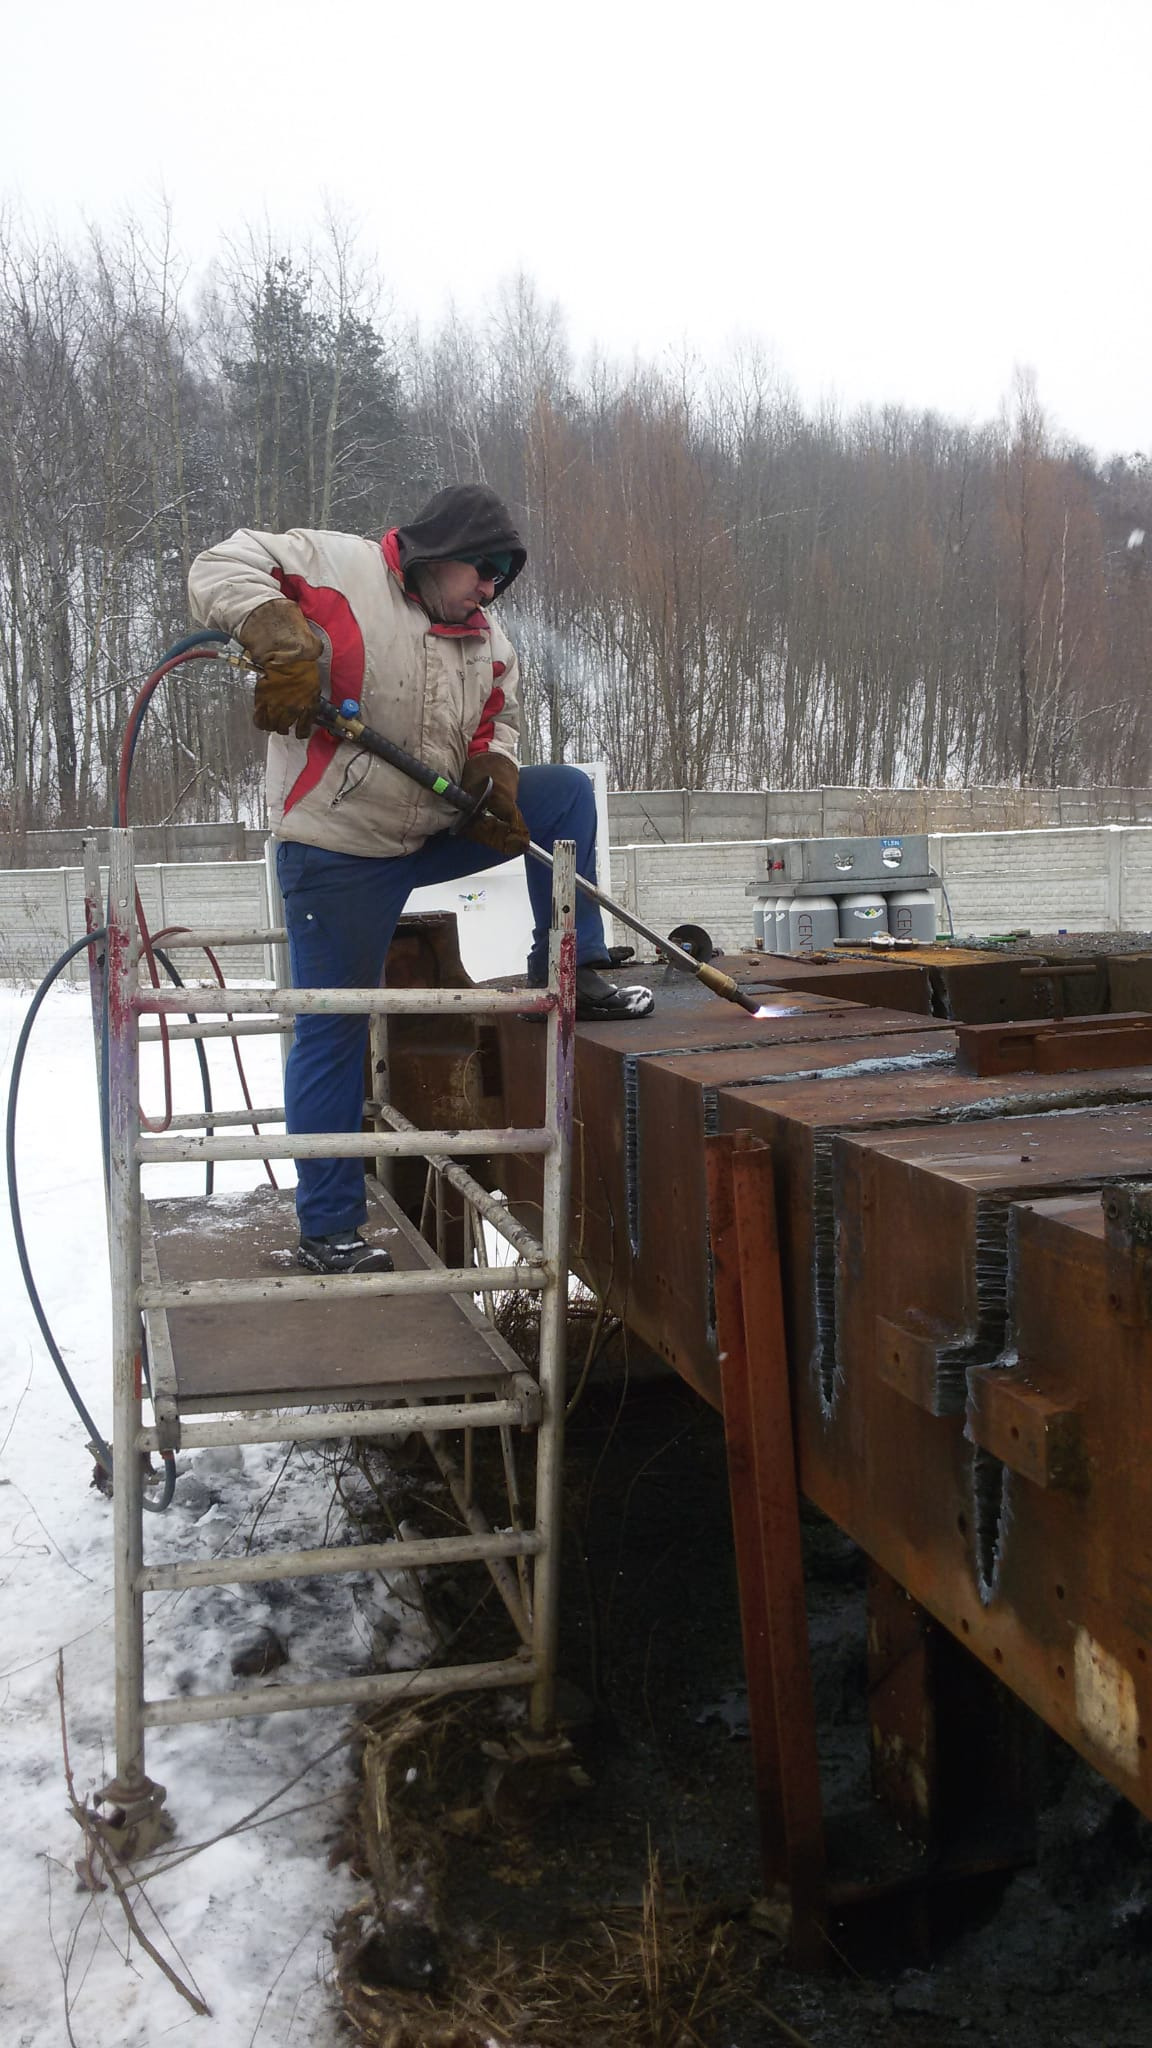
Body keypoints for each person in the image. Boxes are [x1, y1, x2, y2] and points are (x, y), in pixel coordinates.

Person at [188, 484, 655, 1274]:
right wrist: (277, 631)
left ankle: (576, 963)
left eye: (502, 577)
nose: (491, 589)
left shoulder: (488, 638)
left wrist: (494, 778)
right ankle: (329, 1229)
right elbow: (220, 561)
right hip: (338, 850)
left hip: (430, 829)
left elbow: (495, 716)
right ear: (439, 553)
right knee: (335, 1025)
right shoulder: (339, 567)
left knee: (565, 795)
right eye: (483, 570)